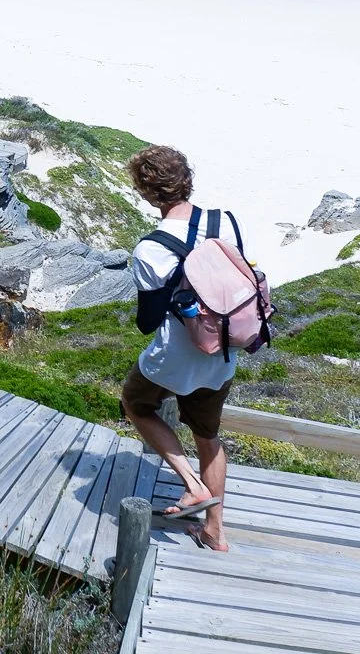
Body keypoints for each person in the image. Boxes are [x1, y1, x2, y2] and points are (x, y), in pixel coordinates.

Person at [120, 144, 238, 551]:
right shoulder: (227, 222)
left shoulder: (151, 248)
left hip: (175, 356)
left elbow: (148, 321)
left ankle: (191, 484)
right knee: (208, 436)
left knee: (136, 404)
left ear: (146, 191)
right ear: (186, 179)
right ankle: (214, 532)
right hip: (222, 351)